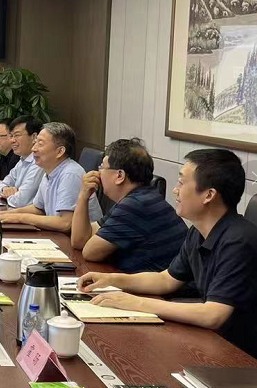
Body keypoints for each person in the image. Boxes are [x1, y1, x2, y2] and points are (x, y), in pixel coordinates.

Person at [77, 149, 257, 358]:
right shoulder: (198, 232)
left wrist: (136, 303)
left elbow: (213, 314)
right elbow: (166, 279)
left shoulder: (238, 240)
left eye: (181, 182)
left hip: (241, 356)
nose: (175, 190)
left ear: (209, 195)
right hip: (213, 342)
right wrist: (111, 280)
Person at [70, 138, 186, 273]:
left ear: (120, 175)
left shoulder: (136, 205)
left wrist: (83, 196)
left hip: (159, 286)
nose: (98, 173)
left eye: (102, 167)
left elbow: (89, 252)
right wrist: (83, 196)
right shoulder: (138, 198)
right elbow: (79, 241)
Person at [0, 122, 102, 232]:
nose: (33, 149)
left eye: (40, 144)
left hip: (82, 240)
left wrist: (20, 218)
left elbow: (65, 223)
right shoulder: (50, 170)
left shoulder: (70, 173)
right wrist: (9, 214)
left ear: (60, 151)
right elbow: (38, 208)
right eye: (35, 143)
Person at [0, 115, 44, 207]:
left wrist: (7, 194)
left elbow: (21, 201)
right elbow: (1, 185)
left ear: (34, 137)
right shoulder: (22, 160)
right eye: (11, 136)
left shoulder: (39, 163)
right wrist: (5, 189)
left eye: (17, 135)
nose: (12, 140)